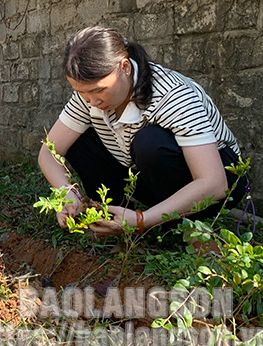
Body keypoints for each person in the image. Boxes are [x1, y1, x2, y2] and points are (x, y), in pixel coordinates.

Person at [38, 26, 247, 236]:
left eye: (99, 90)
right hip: (151, 177)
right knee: (79, 141)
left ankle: (195, 235)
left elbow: (214, 183)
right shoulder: (88, 97)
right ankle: (109, 219)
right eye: (81, 92)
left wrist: (141, 220)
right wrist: (67, 192)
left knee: (149, 142)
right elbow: (49, 151)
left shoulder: (173, 96)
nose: (93, 101)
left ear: (125, 67)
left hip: (222, 180)